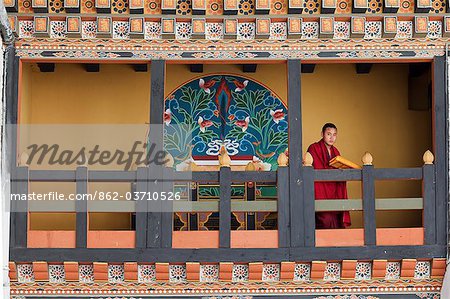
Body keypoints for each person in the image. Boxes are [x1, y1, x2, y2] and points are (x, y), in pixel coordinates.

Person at [307, 123, 351, 229]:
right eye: (328, 134)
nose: (332, 137)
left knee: (335, 216)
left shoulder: (336, 152)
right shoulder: (314, 148)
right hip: (320, 188)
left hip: (333, 189)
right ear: (322, 134)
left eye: (334, 134)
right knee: (324, 218)